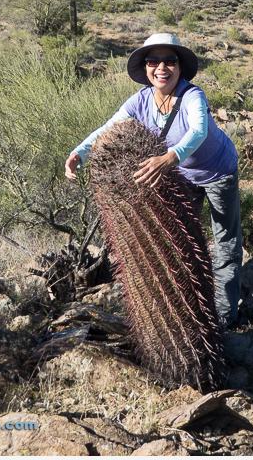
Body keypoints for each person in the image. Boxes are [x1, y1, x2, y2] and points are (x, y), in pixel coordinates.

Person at [64, 32, 242, 328]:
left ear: (179, 66)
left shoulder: (192, 95)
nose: (162, 67)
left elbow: (198, 131)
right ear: (146, 67)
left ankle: (225, 316)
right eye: (154, 61)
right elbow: (109, 128)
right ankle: (194, 308)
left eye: (169, 60)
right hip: (185, 176)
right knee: (185, 241)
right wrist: (79, 153)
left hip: (218, 171)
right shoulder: (140, 101)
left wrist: (170, 157)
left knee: (224, 242)